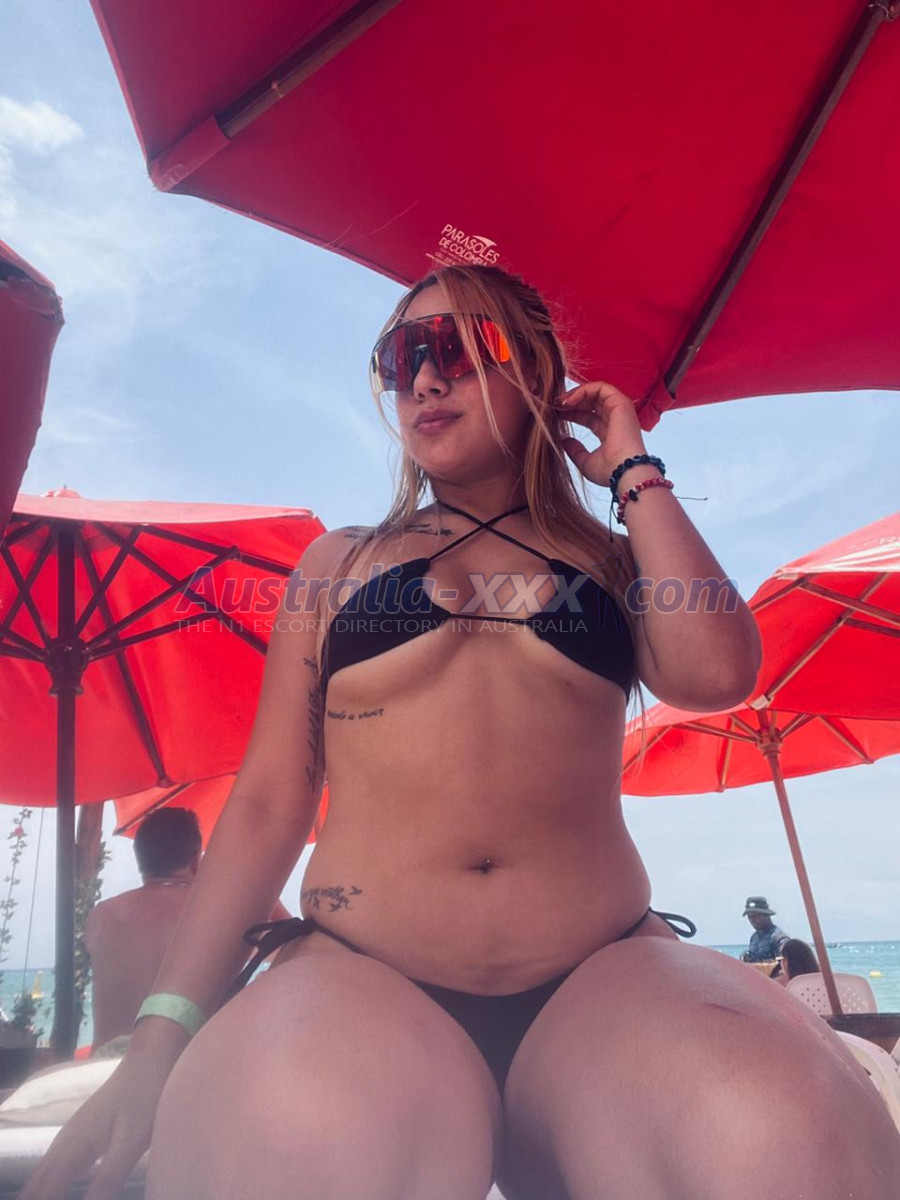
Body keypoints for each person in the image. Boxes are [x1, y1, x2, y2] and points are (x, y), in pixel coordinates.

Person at [24, 265, 900, 1200]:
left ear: (537, 375)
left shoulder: (611, 561)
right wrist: (158, 1040)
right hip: (366, 971)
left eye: (459, 347)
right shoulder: (339, 564)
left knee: (779, 1135)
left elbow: (718, 674)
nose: (425, 378)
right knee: (297, 1141)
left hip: (597, 974)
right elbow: (271, 801)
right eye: (400, 357)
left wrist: (630, 468)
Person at [84, 809, 202, 1053]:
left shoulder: (101, 916)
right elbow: (281, 948)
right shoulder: (208, 911)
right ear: (195, 860)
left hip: (105, 1063)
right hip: (174, 1065)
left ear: (141, 859)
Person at [740, 895, 790, 963]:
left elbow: (786, 965)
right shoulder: (754, 938)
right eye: (750, 917)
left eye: (756, 916)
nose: (752, 920)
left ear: (766, 915)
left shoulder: (779, 939)